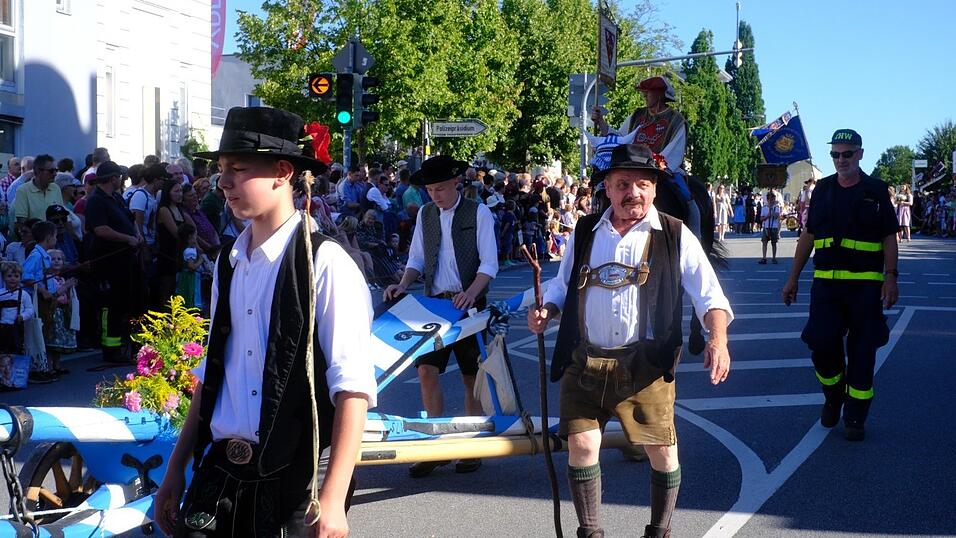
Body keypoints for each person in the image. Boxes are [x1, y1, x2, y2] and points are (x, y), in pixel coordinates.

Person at [153, 106, 376, 537]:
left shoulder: (325, 263)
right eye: (221, 169)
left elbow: (352, 388)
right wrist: (174, 470)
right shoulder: (228, 262)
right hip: (220, 471)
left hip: (294, 480)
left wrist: (332, 499)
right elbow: (211, 374)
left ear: (282, 173)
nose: (224, 181)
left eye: (238, 169)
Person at [527, 144, 732, 538]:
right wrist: (546, 311)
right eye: (623, 184)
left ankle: (659, 530)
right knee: (582, 447)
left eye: (641, 184)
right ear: (607, 187)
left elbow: (710, 296)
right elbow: (562, 284)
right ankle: (589, 532)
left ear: (654, 189)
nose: (632, 193)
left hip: (646, 368)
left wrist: (717, 340)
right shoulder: (586, 230)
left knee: (663, 452)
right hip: (585, 361)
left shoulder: (674, 234)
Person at [382, 154, 499, 478]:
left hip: (470, 307)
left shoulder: (479, 212)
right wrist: (402, 284)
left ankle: (470, 443)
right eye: (430, 190)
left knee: (470, 376)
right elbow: (416, 258)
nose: (434, 195)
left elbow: (489, 264)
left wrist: (471, 293)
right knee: (426, 372)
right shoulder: (426, 214)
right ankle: (435, 445)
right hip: (434, 306)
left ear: (455, 184)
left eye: (440, 189)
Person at [782, 129, 899, 442]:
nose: (841, 160)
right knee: (820, 344)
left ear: (860, 154)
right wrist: (793, 277)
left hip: (864, 288)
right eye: (835, 154)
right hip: (826, 288)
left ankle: (856, 418)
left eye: (847, 154)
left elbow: (889, 234)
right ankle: (833, 394)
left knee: (862, 353)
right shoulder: (822, 190)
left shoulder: (875, 189)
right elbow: (808, 235)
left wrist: (891, 276)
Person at [591, 76, 700, 236]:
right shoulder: (637, 115)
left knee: (689, 200)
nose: (644, 96)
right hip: (632, 166)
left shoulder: (676, 120)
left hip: (665, 169)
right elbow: (619, 137)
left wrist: (655, 164)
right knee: (603, 191)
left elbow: (673, 151)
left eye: (648, 93)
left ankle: (695, 237)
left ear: (660, 95)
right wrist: (600, 121)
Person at [84, 161, 142, 363]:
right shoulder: (96, 201)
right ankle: (110, 350)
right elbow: (101, 230)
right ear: (112, 178)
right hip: (107, 262)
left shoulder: (116, 198)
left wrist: (136, 233)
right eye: (119, 177)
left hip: (125, 261)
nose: (121, 180)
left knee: (126, 303)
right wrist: (127, 238)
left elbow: (129, 218)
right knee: (111, 306)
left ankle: (125, 345)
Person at [43, 248, 78, 374]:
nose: (56, 261)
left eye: (59, 259)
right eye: (53, 259)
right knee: (51, 340)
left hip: (62, 311)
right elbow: (52, 295)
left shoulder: (62, 279)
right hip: (53, 312)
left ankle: (57, 365)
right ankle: (49, 366)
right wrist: (65, 287)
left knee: (59, 341)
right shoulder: (47, 279)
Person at [759, 191, 782, 264]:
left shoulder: (776, 207)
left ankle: (774, 257)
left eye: (773, 198)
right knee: (764, 242)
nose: (772, 200)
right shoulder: (764, 207)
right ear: (768, 199)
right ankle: (764, 257)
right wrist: (767, 216)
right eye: (771, 199)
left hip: (774, 227)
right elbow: (761, 218)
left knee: (774, 243)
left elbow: (777, 216)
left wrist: (772, 211)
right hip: (766, 227)